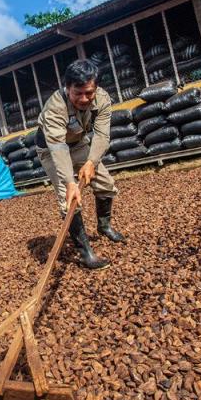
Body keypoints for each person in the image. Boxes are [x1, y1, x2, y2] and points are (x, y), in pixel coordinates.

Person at [35, 58, 126, 270]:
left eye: (89, 93)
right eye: (78, 93)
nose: (84, 99)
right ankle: (85, 253)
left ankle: (104, 226)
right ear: (67, 88)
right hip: (51, 150)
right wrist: (70, 182)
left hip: (79, 143)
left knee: (105, 184)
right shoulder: (54, 108)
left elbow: (102, 134)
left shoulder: (102, 99)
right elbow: (58, 148)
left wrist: (92, 162)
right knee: (69, 200)